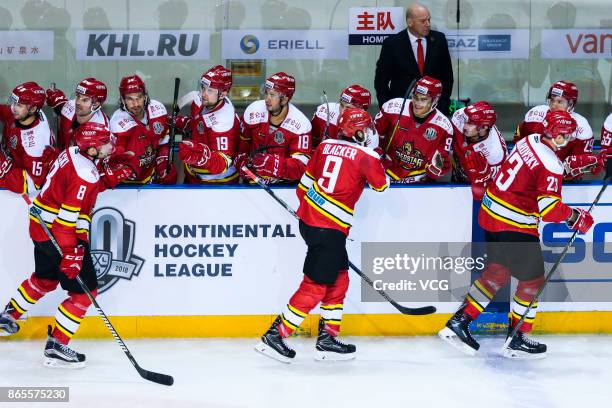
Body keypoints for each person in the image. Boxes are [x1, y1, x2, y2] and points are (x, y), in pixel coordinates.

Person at [439, 110, 595, 359]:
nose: (569, 140)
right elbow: (551, 209)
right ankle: (517, 337)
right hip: (514, 223)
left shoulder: (529, 141)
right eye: (566, 135)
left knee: (497, 272)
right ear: (559, 135)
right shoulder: (551, 164)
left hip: (490, 214)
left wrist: (567, 166)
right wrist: (576, 218)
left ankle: (459, 321)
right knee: (532, 280)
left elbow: (532, 175)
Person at [255, 108, 389, 363]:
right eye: (367, 129)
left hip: (313, 226)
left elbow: (303, 188)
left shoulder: (325, 145)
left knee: (339, 280)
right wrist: (376, 158)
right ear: (358, 131)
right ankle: (275, 336)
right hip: (329, 231)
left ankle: (327, 338)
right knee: (315, 287)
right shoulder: (367, 156)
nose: (370, 133)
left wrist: (315, 214)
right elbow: (382, 187)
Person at [0, 122, 133, 368]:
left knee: (45, 280)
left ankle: (8, 315)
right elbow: (66, 221)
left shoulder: (73, 153)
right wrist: (72, 253)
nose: (109, 146)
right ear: (91, 149)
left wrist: (106, 177)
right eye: (104, 143)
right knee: (85, 294)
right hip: (57, 232)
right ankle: (57, 346)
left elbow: (73, 188)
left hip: (40, 226)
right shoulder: (86, 175)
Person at [374, 3, 453, 115]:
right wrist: (387, 108)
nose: (428, 24)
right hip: (401, 111)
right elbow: (381, 82)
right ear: (410, 22)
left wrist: (443, 106)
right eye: (423, 21)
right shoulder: (392, 44)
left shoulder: (439, 40)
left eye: (429, 20)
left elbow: (447, 77)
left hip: (434, 110)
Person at [514, 80, 603, 180]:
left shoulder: (582, 129)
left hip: (561, 181)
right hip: (529, 176)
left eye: (559, 101)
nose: (554, 105)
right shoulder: (534, 114)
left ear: (571, 104)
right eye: (552, 100)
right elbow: (518, 143)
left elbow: (577, 171)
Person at [374, 76, 453, 183]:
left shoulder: (444, 127)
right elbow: (373, 135)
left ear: (435, 100)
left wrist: (437, 169)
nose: (417, 103)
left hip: (418, 182)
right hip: (385, 175)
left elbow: (440, 161)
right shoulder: (392, 107)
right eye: (415, 97)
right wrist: (375, 153)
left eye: (424, 99)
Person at [238, 72, 311, 184]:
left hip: (283, 186)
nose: (267, 99)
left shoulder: (301, 125)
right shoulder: (253, 110)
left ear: (285, 99)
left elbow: (300, 167)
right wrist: (242, 163)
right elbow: (241, 146)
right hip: (252, 182)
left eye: (272, 95)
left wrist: (272, 164)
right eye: (266, 93)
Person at [175, 65, 242, 184]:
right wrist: (180, 123)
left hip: (218, 183)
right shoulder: (207, 101)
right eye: (203, 87)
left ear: (223, 94)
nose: (204, 94)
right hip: (193, 176)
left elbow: (222, 163)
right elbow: (198, 124)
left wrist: (200, 156)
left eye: (210, 90)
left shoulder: (224, 123)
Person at [109, 74, 176, 185]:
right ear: (123, 100)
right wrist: (121, 162)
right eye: (130, 99)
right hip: (127, 183)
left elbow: (163, 140)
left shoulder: (157, 109)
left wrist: (163, 160)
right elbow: (118, 151)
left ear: (145, 96)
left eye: (139, 97)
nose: (135, 104)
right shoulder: (118, 122)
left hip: (151, 175)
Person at [0, 81, 57, 193]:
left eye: (19, 105)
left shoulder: (36, 146)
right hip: (9, 156)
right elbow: (7, 113)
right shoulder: (26, 113)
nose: (13, 107)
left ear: (33, 109)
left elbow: (32, 184)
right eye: (14, 102)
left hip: (17, 173)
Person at [451, 101, 507, 201]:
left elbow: (492, 194)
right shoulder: (459, 117)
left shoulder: (495, 155)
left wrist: (482, 177)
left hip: (471, 190)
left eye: (470, 124)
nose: (464, 126)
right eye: (466, 120)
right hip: (456, 176)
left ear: (484, 127)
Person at [45, 77, 109, 149]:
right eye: (78, 96)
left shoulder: (101, 130)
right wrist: (56, 99)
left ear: (96, 105)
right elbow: (61, 106)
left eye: (84, 100)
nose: (78, 102)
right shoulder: (71, 106)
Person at [310, 84, 378, 149]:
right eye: (341, 105)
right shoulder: (324, 111)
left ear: (362, 110)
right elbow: (311, 141)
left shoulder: (369, 130)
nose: (343, 111)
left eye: (349, 108)